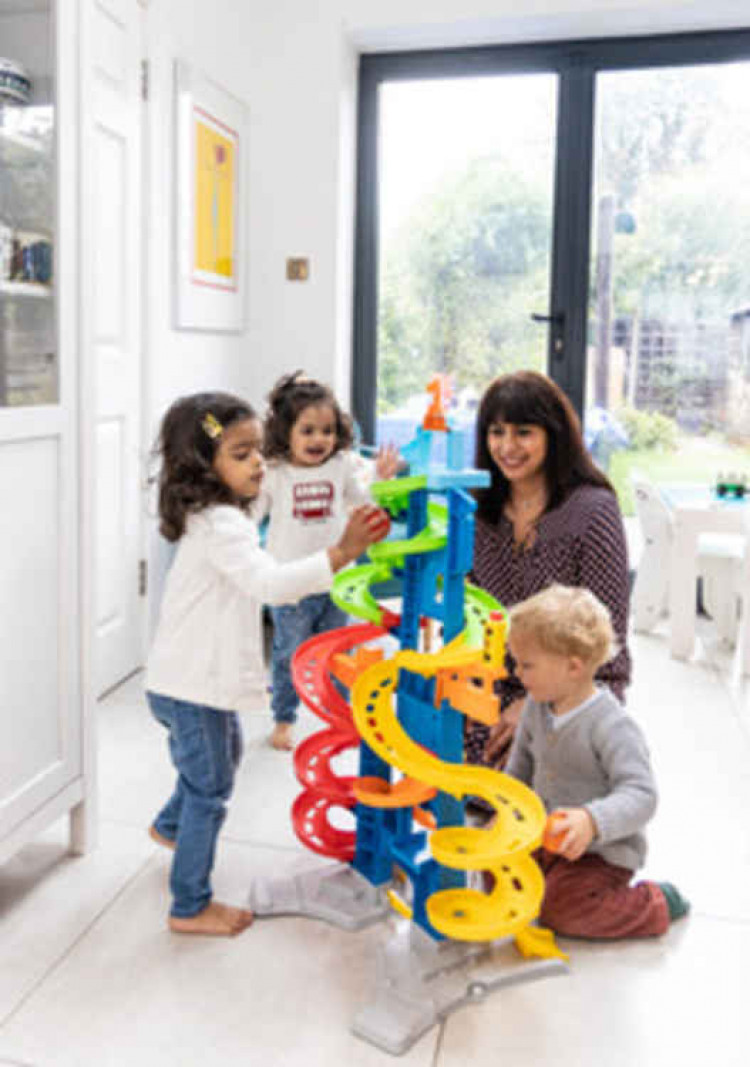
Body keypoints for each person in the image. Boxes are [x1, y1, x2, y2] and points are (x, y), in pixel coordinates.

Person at [146, 391, 388, 937]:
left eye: (257, 449)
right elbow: (271, 583)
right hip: (193, 687)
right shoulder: (223, 526)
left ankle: (169, 825)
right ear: (202, 465)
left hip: (183, 682)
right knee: (211, 788)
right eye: (241, 453)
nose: (259, 461)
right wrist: (341, 554)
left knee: (217, 761)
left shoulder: (216, 513)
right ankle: (189, 905)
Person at [466, 370, 631, 770]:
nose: (507, 446)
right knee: (437, 754)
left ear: (552, 435)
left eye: (523, 432)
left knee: (543, 771)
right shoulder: (480, 512)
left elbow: (607, 636)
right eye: (496, 431)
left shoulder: (593, 510)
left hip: (577, 681)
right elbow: (473, 617)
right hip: (500, 680)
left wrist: (533, 701)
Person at [504, 584, 689, 939]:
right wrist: (507, 815)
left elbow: (641, 794)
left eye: (527, 665)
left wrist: (591, 821)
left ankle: (656, 901)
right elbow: (519, 769)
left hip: (600, 852)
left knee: (565, 910)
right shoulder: (536, 706)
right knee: (496, 872)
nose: (518, 674)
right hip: (545, 838)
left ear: (573, 667)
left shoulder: (612, 725)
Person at [252, 371, 399, 751]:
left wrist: (380, 480)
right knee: (290, 653)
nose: (320, 439)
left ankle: (339, 717)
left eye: (328, 430)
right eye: (308, 430)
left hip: (337, 580)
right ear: (286, 432)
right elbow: (251, 514)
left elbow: (363, 503)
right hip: (291, 583)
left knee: (338, 652)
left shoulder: (342, 466)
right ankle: (284, 718)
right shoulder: (276, 472)